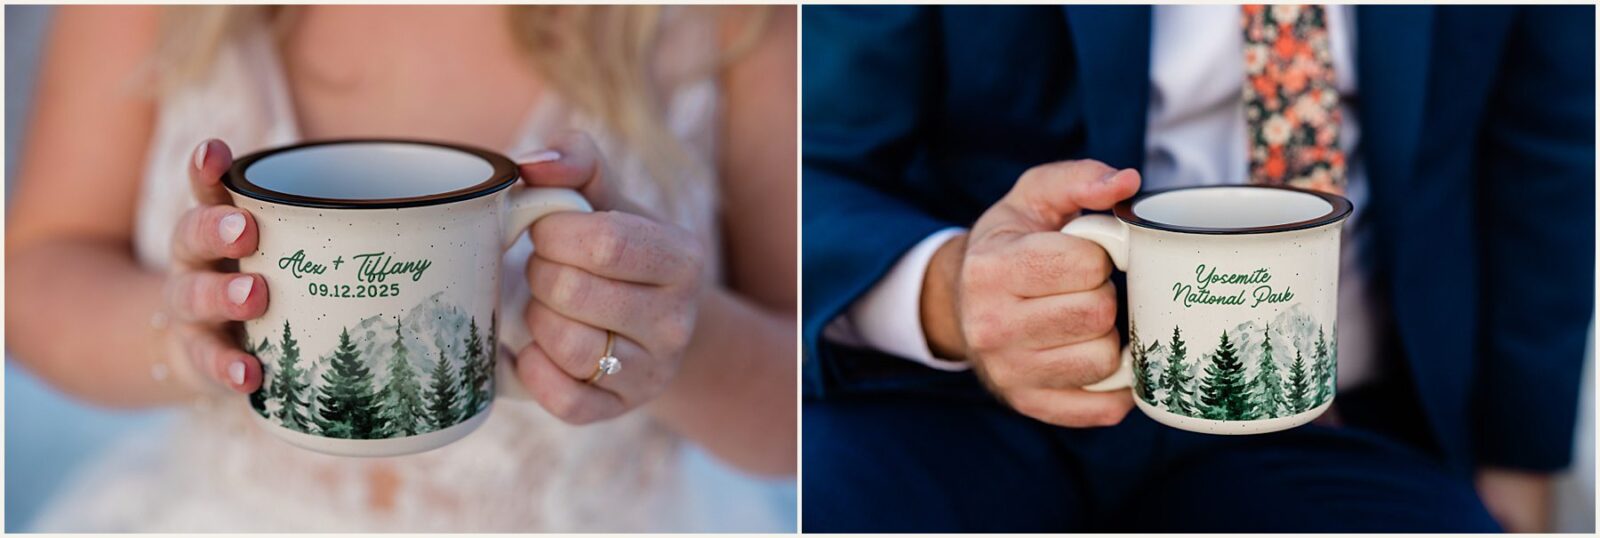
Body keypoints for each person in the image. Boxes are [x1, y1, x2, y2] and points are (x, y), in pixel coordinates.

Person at [802, 4, 1593, 532]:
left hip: (1331, 426)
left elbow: (1545, 154)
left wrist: (1519, 454)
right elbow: (812, 161)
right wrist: (949, 292)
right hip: (954, 406)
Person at [6, 5, 796, 532]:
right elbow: (34, 273)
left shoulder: (733, 20)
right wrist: (180, 335)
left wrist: (676, 343)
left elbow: (813, 408)